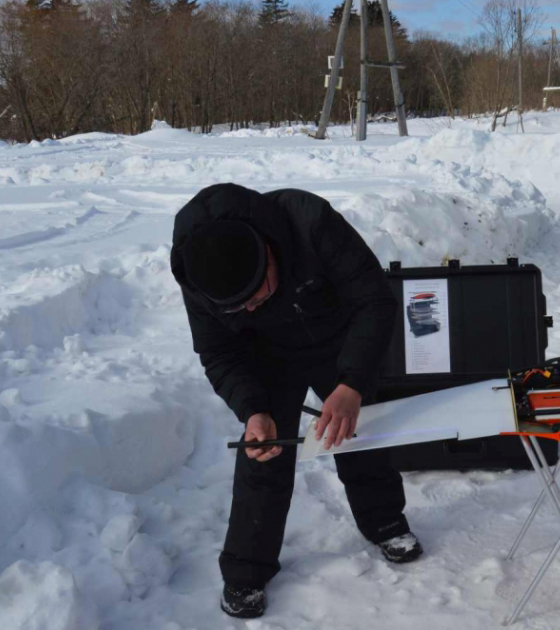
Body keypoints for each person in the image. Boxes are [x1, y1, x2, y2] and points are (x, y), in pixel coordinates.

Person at [170, 183, 422, 619]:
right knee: (263, 450)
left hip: (336, 337)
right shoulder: (197, 270)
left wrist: (352, 384)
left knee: (358, 429)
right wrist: (252, 409)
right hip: (265, 356)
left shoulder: (309, 222)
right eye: (238, 307)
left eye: (257, 294)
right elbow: (217, 352)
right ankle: (246, 570)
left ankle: (384, 521)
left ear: (269, 252)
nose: (250, 307)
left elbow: (375, 300)